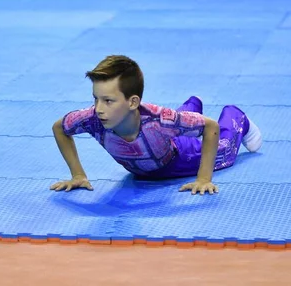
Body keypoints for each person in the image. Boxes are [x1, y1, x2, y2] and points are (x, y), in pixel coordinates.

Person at [50, 55, 262, 195]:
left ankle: (236, 117)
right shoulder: (92, 118)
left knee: (223, 152)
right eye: (96, 99)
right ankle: (192, 107)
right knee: (179, 124)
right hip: (162, 143)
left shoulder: (160, 120)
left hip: (179, 158)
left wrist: (204, 178)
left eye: (108, 101)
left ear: (133, 102)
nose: (99, 108)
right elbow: (59, 128)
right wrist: (78, 175)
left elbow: (211, 127)